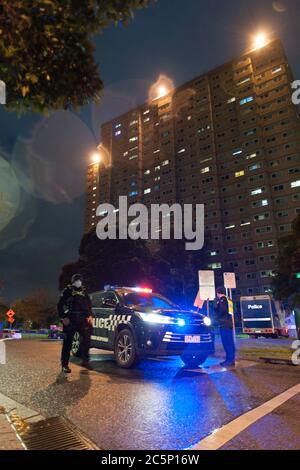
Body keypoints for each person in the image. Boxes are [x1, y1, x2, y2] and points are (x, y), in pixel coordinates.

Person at [58, 273, 93, 373]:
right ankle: (64, 364)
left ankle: (85, 361)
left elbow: (88, 305)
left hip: (82, 319)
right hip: (71, 319)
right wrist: (63, 317)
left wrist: (90, 316)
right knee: (67, 342)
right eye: (77, 280)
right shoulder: (67, 291)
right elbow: (60, 305)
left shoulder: (84, 292)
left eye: (80, 280)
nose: (79, 282)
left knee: (87, 339)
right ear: (73, 281)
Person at [214, 286, 236, 368]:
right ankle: (231, 359)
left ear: (218, 293)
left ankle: (229, 360)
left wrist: (217, 316)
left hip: (224, 324)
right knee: (230, 343)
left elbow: (222, 311)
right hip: (229, 323)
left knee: (226, 343)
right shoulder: (229, 300)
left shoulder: (222, 300)